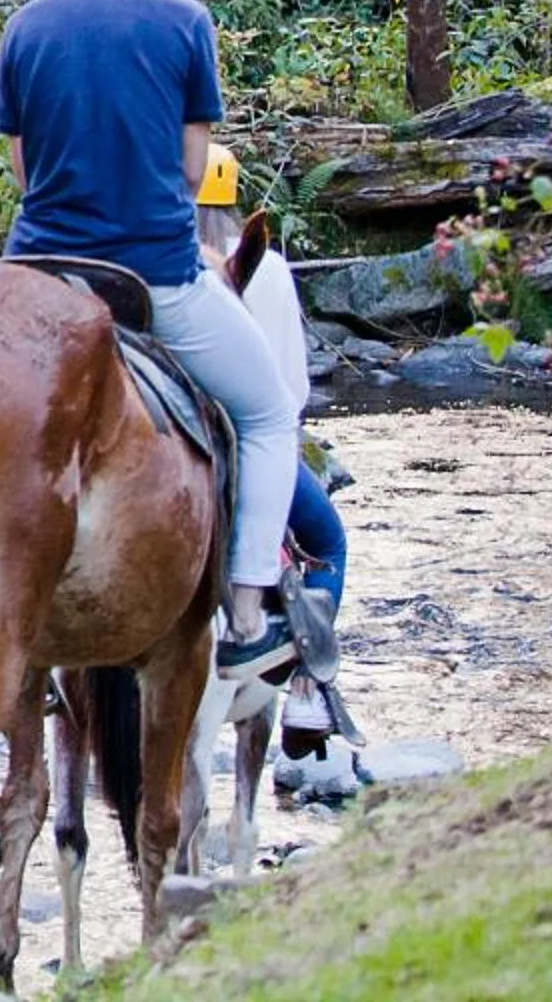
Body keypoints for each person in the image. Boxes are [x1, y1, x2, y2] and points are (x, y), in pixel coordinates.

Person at [0, 0, 302, 681]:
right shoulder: (184, 21)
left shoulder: (25, 26)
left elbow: (25, 172)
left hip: (38, 278)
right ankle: (246, 612)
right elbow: (194, 168)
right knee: (271, 414)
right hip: (153, 279)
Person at [197, 146, 350, 744]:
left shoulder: (170, 265)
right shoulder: (270, 270)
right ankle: (309, 689)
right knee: (329, 540)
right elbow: (291, 389)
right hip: (258, 445)